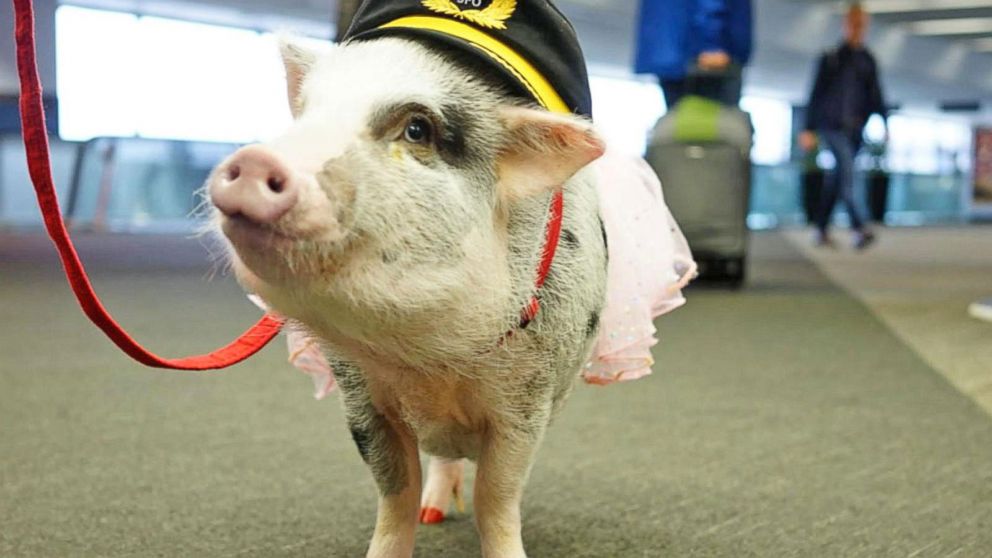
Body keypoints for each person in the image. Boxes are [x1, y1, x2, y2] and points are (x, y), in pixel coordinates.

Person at [800, 2, 887, 250]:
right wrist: (808, 128)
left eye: (861, 25)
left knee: (836, 180)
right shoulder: (831, 58)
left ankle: (820, 228)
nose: (857, 29)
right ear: (846, 25)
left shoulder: (868, 61)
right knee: (848, 176)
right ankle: (860, 228)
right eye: (853, 24)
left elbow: (877, 96)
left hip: (855, 130)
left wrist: (885, 123)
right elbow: (815, 95)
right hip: (831, 127)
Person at [634, 0, 753, 108]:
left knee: (678, 120)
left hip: (667, 45)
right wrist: (712, 44)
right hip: (705, 57)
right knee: (715, 124)